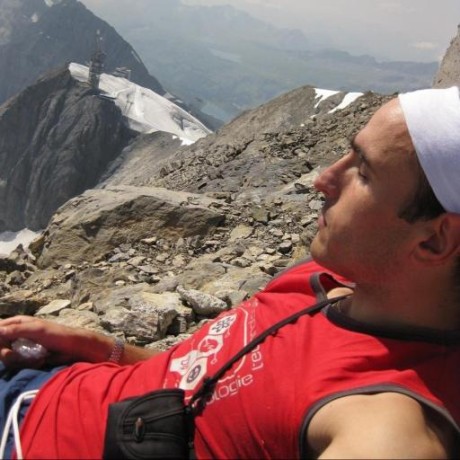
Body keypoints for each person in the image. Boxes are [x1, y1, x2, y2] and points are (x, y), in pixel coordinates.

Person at [1, 86, 460, 458]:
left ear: (435, 240)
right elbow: (214, 388)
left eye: (364, 171)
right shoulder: (323, 282)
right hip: (49, 383)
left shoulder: (385, 418)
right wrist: (103, 349)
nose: (323, 179)